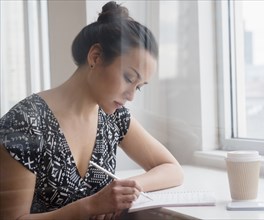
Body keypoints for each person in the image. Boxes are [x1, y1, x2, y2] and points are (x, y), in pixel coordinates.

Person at [0, 1, 184, 219]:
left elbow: (172, 169)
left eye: (139, 88)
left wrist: (125, 190)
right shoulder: (24, 123)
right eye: (128, 78)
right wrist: (90, 206)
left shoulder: (114, 118)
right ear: (95, 56)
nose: (131, 96)